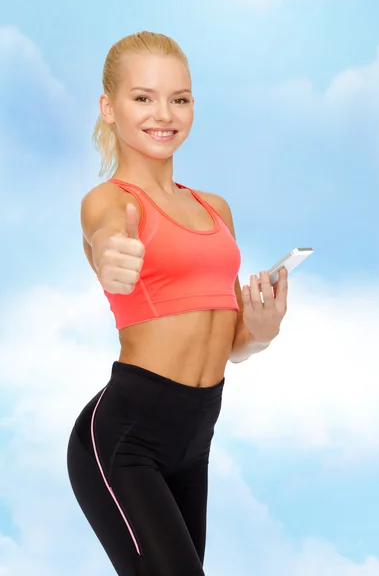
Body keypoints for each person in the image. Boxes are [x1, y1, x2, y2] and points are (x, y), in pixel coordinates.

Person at [66, 31, 288, 576]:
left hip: (195, 438)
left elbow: (228, 344)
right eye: (143, 97)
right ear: (109, 107)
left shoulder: (214, 209)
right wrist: (110, 255)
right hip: (125, 437)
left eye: (179, 99)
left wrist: (259, 331)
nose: (164, 113)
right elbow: (104, 238)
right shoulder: (111, 201)